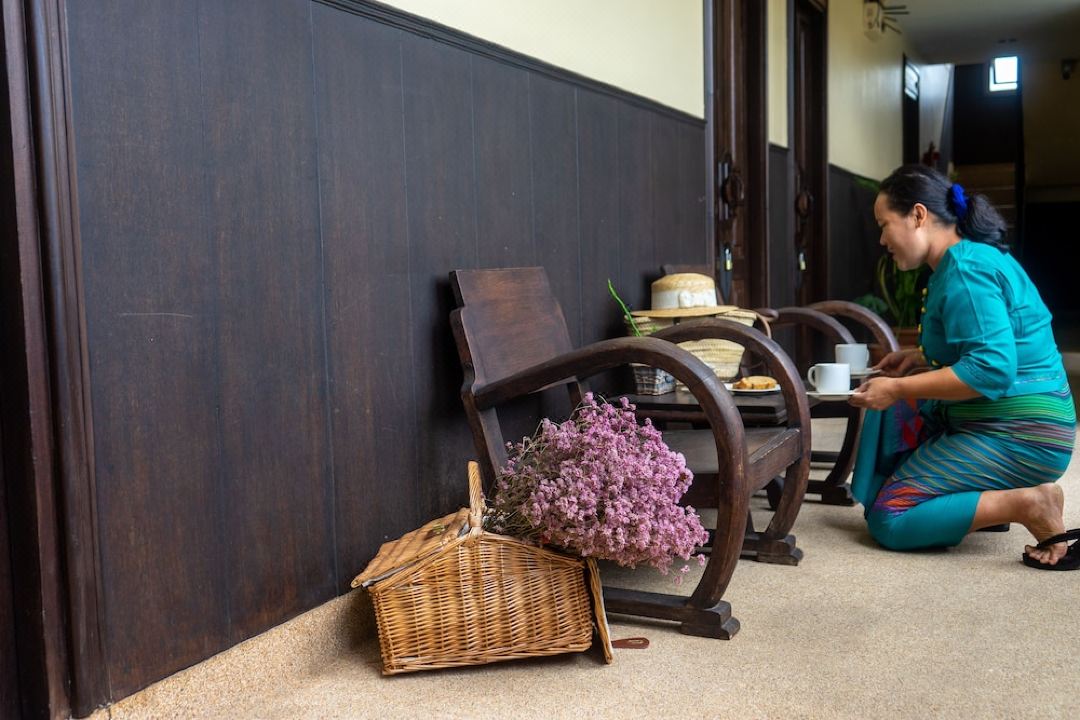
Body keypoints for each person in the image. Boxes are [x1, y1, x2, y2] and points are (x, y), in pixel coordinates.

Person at [849, 164, 1078, 570]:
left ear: (918, 215)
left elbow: (991, 370)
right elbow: (990, 341)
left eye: (884, 225)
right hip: (1027, 420)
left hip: (1022, 430)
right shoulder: (966, 261)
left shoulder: (966, 270)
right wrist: (918, 357)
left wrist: (898, 388)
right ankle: (988, 498)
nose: (882, 239)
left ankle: (1027, 502)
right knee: (901, 404)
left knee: (891, 517)